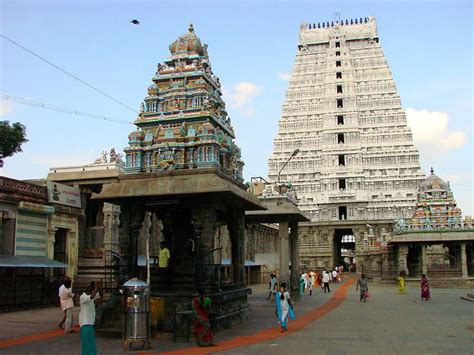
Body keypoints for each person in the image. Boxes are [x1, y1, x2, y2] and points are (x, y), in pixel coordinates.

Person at [79, 281, 102, 355]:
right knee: (86, 344)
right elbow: (92, 296)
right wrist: (96, 288)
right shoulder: (83, 297)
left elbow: (100, 295)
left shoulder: (90, 297)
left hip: (90, 323)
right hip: (85, 323)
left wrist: (99, 288)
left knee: (91, 342)